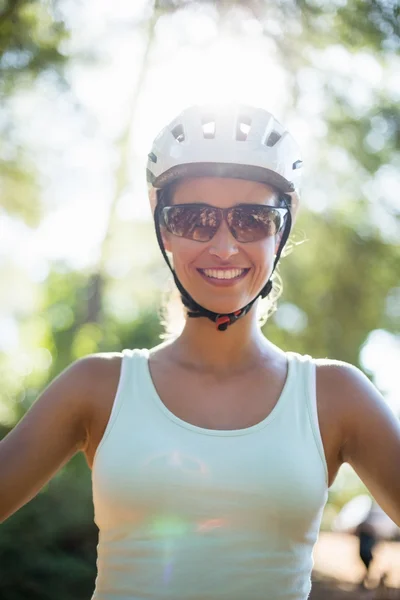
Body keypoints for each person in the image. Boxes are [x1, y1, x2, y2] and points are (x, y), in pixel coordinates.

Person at [1, 104, 399, 600]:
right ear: (162, 226)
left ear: (282, 228)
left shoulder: (336, 397)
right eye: (194, 219)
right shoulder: (96, 387)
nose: (225, 247)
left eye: (253, 219)